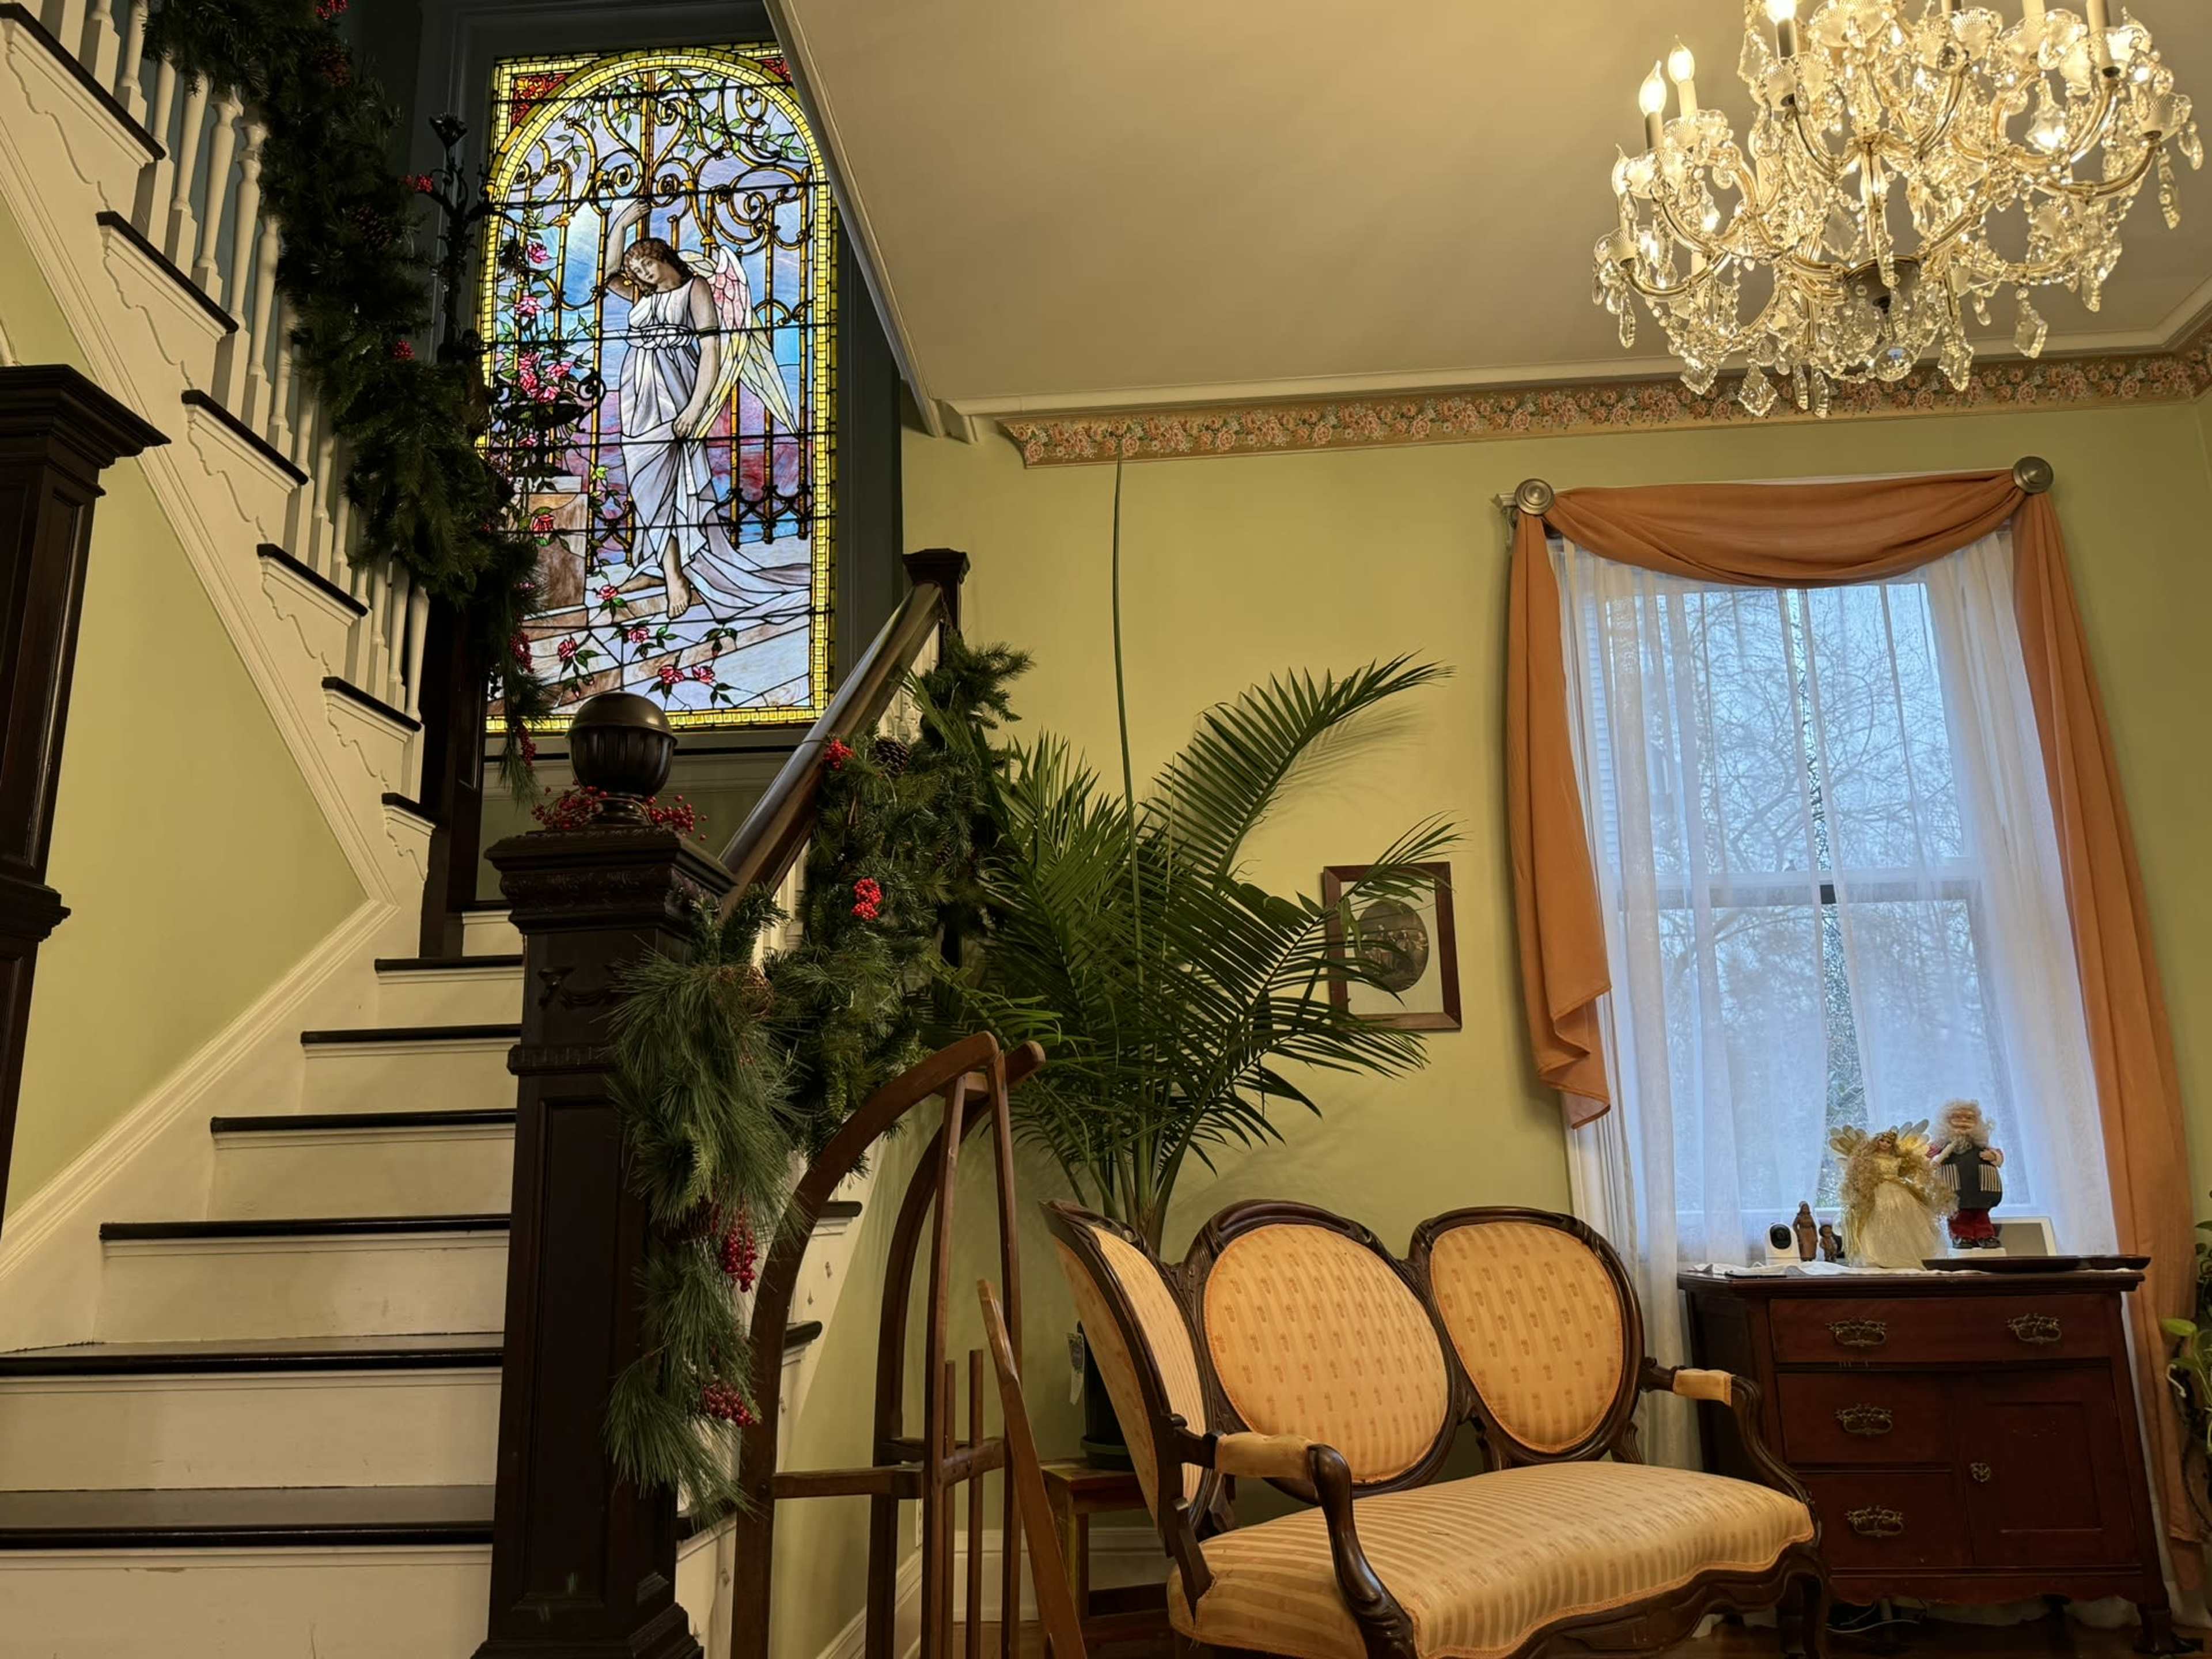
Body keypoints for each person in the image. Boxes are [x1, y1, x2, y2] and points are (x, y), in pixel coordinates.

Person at [598, 198, 805, 622]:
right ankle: (654, 564)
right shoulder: (639, 294)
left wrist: (697, 406)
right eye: (636, 270)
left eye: (647, 264)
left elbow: (712, 348)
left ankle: (675, 574)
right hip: (638, 392)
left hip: (677, 386)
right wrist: (620, 224)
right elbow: (608, 275)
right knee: (644, 481)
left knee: (671, 482)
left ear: (665, 259)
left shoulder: (696, 289)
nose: (641, 274)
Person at [1930, 1099, 2005, 1249]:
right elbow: (1926, 1154)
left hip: (1980, 1186)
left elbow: (1998, 1154)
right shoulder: (1942, 1145)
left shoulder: (1980, 1143)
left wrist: (1993, 1156)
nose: (1963, 1121)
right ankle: (1961, 1236)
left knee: (1981, 1213)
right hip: (1954, 1186)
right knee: (1958, 1213)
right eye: (1957, 1117)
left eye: (1969, 1118)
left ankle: (1985, 1235)